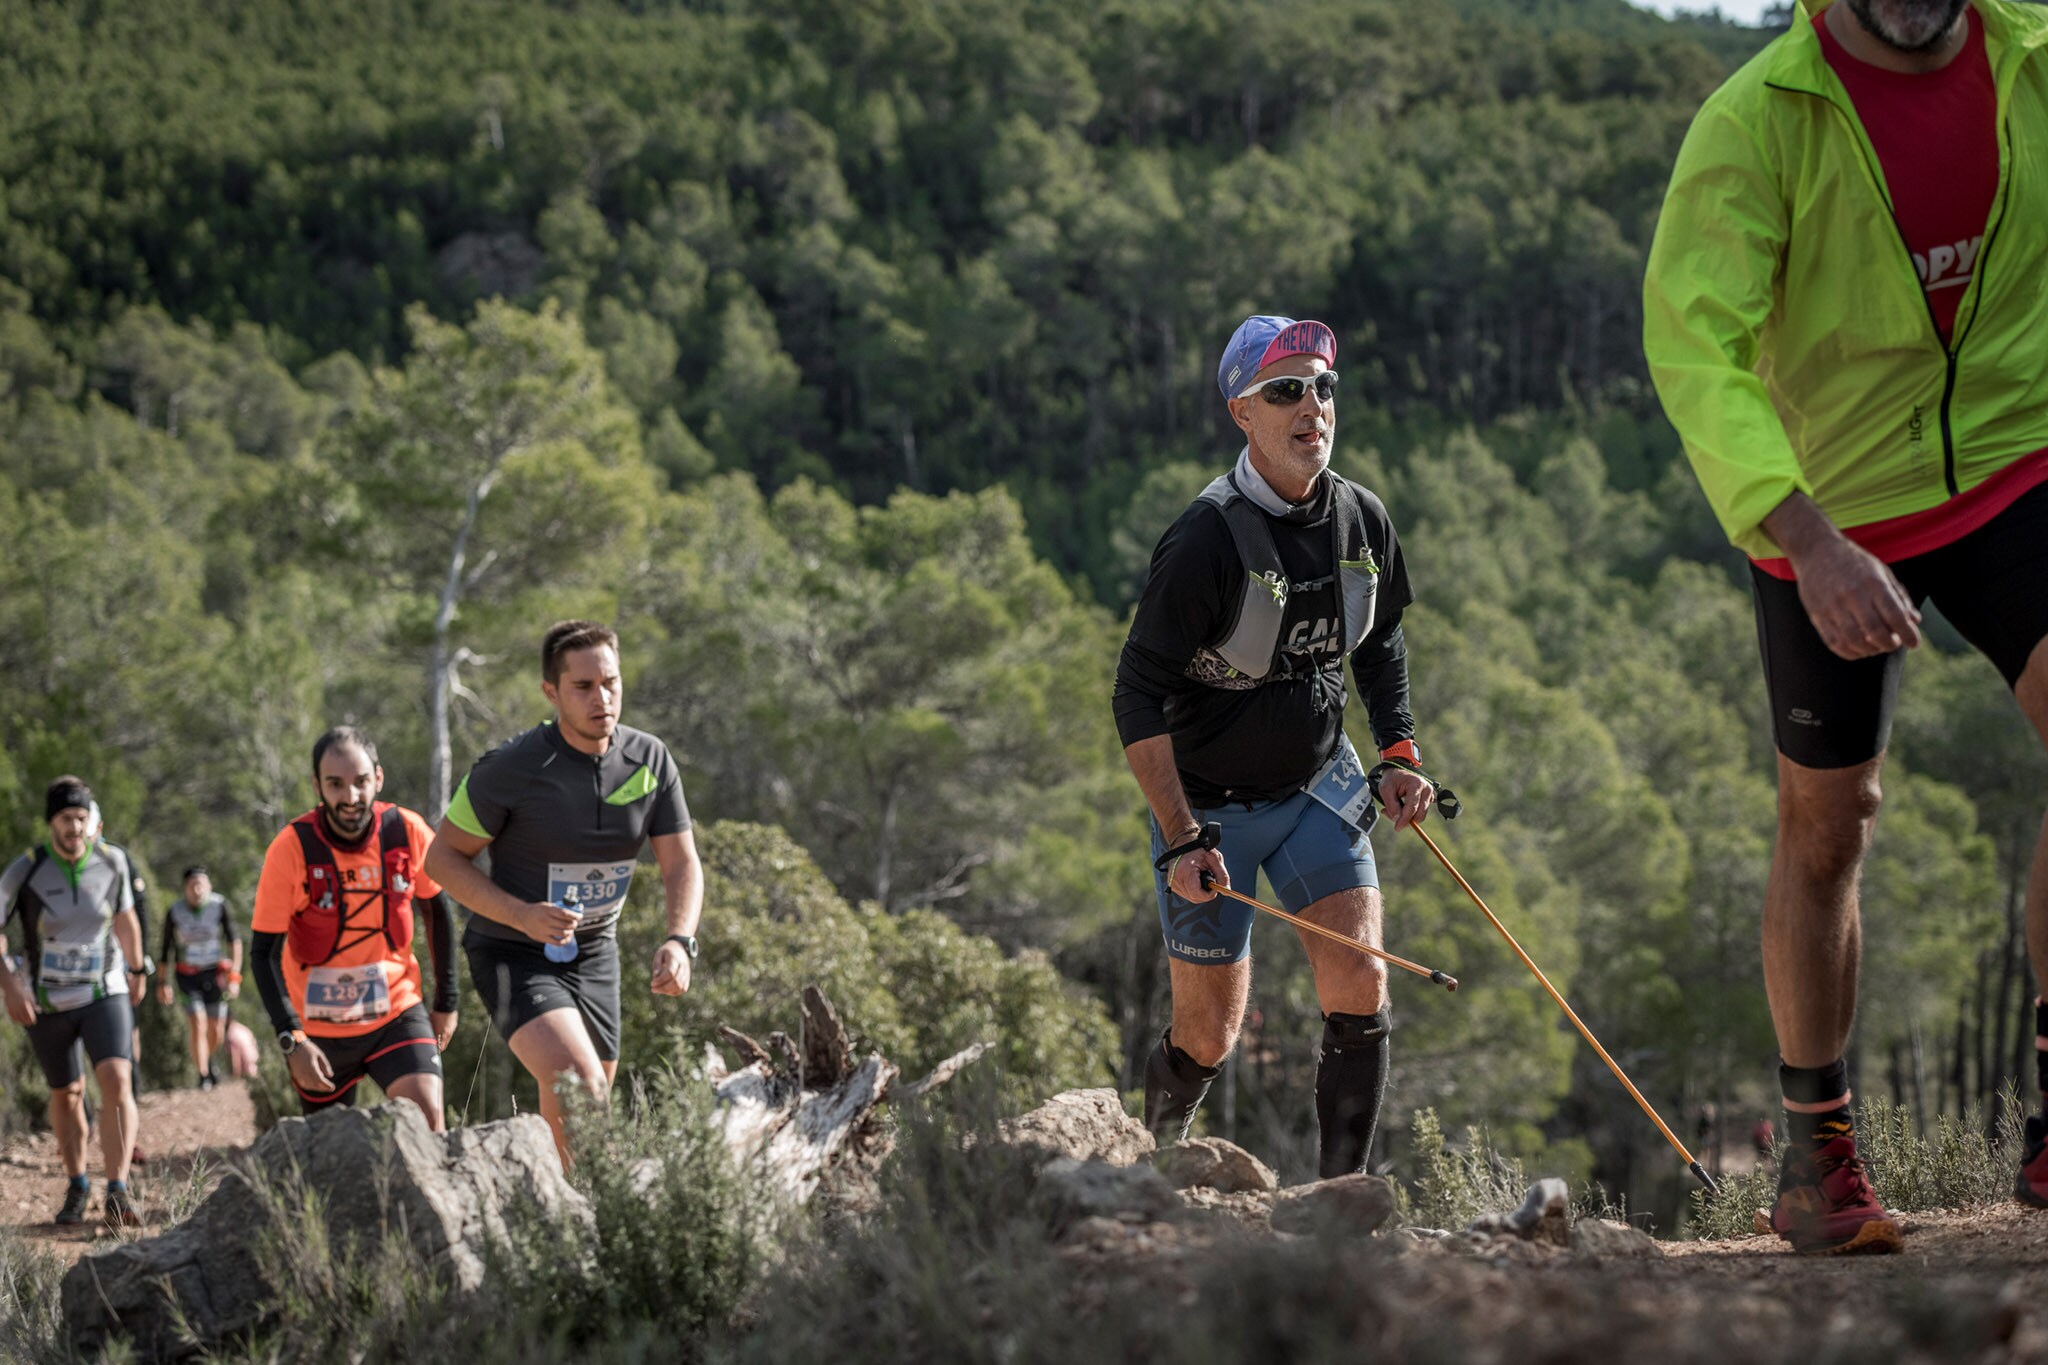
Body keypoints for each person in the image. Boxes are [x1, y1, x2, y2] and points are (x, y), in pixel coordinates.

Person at [1644, 0, 2048, 1254]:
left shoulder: (2031, 57)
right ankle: (1815, 1159)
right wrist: (1806, 540)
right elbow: (1693, 345)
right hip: (1832, 501)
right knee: (1829, 824)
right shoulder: (1757, 118)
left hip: (2012, 462)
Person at [1112, 315, 1442, 1178]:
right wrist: (1180, 836)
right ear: (1242, 412)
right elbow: (1135, 693)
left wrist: (1399, 751)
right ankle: (1151, 1176)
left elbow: (1380, 642)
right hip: (1209, 816)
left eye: (1324, 388)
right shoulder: (1203, 541)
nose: (1313, 407)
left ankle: (1343, 1204)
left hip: (1315, 790)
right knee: (1208, 1035)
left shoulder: (1363, 517)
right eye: (1287, 390)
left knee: (1360, 985)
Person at [426, 620, 702, 1166]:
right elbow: (441, 859)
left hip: (596, 953)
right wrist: (521, 914)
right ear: (551, 692)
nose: (602, 698)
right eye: (583, 687)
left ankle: (564, 1219)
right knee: (579, 1083)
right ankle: (585, 1222)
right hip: (512, 952)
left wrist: (680, 939)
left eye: (611, 683)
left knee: (583, 1106)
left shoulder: (649, 761)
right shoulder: (513, 767)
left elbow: (681, 861)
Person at [250, 728, 460, 1129]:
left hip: (395, 1013)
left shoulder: (406, 830)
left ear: (378, 778)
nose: (350, 798)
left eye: (361, 782)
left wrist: (446, 1003)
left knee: (428, 1119)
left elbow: (438, 913)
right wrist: (292, 1038)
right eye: (335, 784)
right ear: (317, 786)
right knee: (328, 1151)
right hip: (318, 1031)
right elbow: (263, 954)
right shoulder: (291, 848)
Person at [0, 777, 149, 1226]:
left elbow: (125, 920)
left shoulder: (112, 861)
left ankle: (118, 1188)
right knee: (67, 1094)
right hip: (47, 1002)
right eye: (66, 819)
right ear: (51, 823)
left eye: (82, 818)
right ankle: (78, 1181)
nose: (76, 827)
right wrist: (10, 986)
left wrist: (139, 969)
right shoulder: (25, 870)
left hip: (104, 991)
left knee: (117, 1080)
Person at [156, 866, 242, 1089]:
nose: (197, 890)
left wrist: (234, 977)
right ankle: (202, 1074)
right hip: (187, 975)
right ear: (184, 888)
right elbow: (166, 950)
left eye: (201, 884)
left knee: (216, 1031)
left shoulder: (219, 906)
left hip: (215, 975)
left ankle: (207, 1060)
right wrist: (163, 982)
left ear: (209, 886)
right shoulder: (175, 911)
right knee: (197, 1023)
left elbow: (235, 941)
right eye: (192, 885)